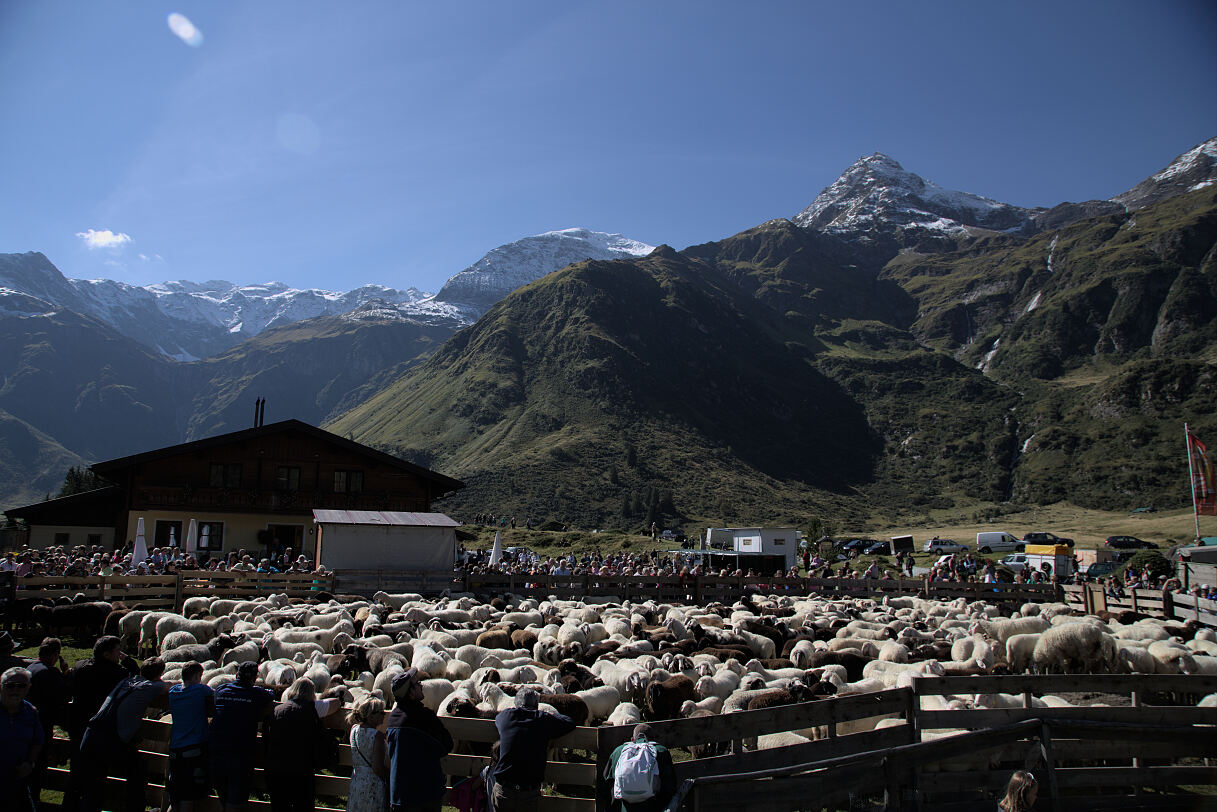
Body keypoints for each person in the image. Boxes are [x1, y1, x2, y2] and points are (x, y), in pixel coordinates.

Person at [78, 657, 172, 812]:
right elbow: (168, 686)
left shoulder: (125, 682)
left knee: (93, 787)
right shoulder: (149, 686)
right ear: (159, 675)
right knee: (138, 770)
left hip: (90, 735)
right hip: (110, 739)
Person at [65, 635, 139, 811]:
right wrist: (128, 660)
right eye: (117, 652)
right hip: (101, 733)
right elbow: (136, 676)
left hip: (78, 729)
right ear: (106, 655)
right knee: (96, 782)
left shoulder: (80, 667)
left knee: (76, 777)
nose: (119, 655)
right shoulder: (117, 674)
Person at [490, 688, 576, 812]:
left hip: (503, 790)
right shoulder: (543, 719)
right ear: (536, 704)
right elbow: (570, 722)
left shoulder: (506, 715)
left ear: (516, 703)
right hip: (528, 793)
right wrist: (550, 715)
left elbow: (498, 719)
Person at [264, 677, 342, 812]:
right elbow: (335, 703)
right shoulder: (312, 708)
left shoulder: (277, 710)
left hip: (277, 770)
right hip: (301, 770)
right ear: (311, 694)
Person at [384, 668, 453, 812]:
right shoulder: (424, 717)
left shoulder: (392, 720)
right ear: (411, 693)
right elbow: (447, 745)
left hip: (399, 795)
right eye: (417, 683)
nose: (421, 685)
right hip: (424, 795)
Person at [209, 661, 275, 812]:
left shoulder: (221, 689)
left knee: (224, 797)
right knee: (236, 801)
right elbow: (270, 695)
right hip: (240, 753)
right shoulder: (255, 693)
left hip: (217, 751)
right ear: (253, 678)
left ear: (236, 675)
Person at [26, 637, 68, 809]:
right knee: (36, 771)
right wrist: (65, 675)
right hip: (41, 727)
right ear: (55, 655)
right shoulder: (51, 673)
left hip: (27, 726)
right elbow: (63, 697)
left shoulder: (30, 668)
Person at [168, 662, 215, 812]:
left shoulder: (173, 692)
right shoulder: (200, 690)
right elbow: (211, 693)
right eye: (200, 677)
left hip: (175, 751)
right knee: (188, 796)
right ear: (196, 676)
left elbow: (176, 685)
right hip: (193, 750)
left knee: (175, 797)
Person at [604, 723, 676, 812]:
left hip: (624, 807)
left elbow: (607, 779)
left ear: (632, 739)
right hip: (652, 807)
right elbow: (669, 786)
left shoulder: (618, 752)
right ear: (653, 739)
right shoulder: (660, 751)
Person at [1, 666, 43, 812]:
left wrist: (30, 762)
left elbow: (37, 741)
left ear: (28, 688)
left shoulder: (30, 712)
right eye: (10, 685)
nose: (15, 690)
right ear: (1, 687)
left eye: (22, 686)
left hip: (18, 779)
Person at [346, 696, 388, 812]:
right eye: (381, 712)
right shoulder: (377, 736)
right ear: (371, 716)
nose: (384, 715)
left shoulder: (354, 730)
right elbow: (377, 767)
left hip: (357, 781)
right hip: (372, 785)